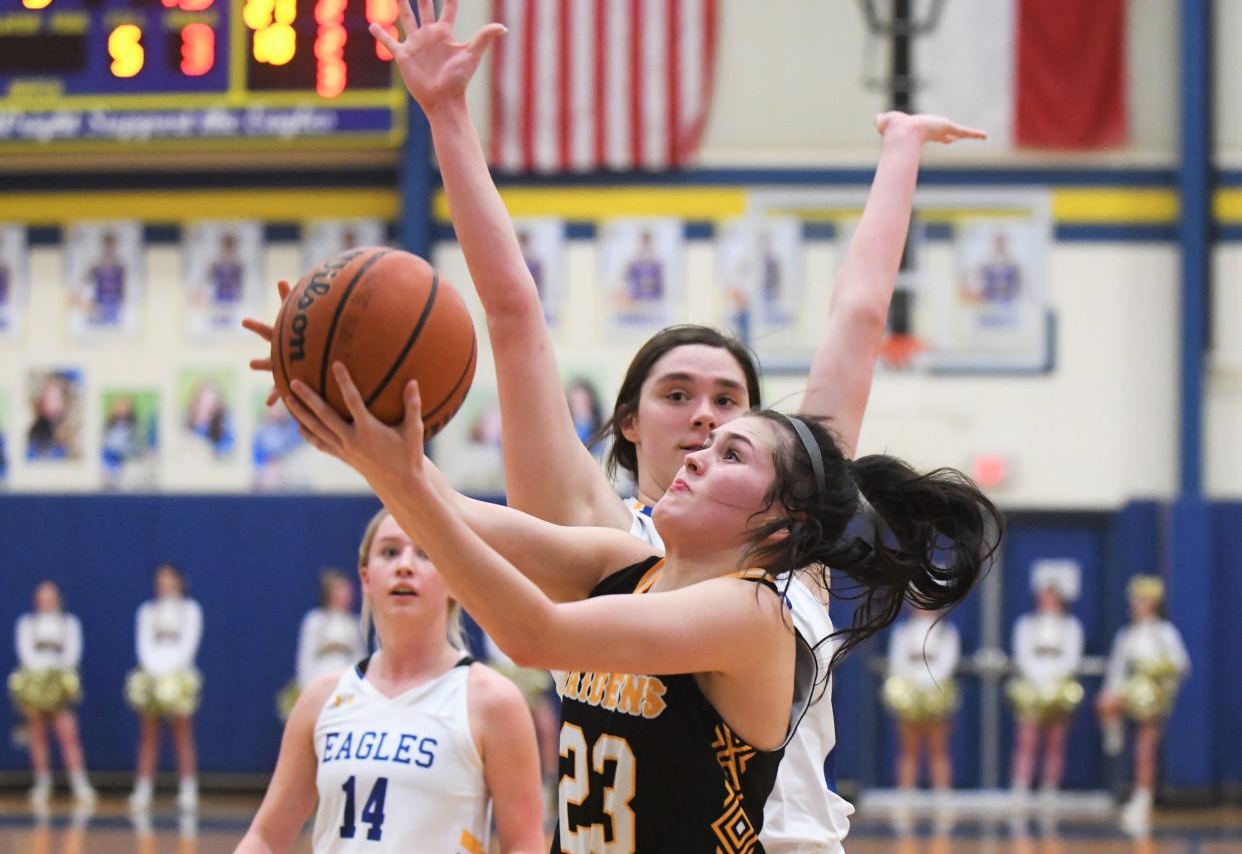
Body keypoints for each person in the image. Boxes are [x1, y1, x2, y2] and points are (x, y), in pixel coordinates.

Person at [240, 0, 986, 850]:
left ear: (783, 504)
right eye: (680, 397)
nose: (706, 426)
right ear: (628, 420)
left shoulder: (771, 590)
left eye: (731, 411)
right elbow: (508, 342)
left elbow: (858, 320)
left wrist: (900, 150)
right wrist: (361, 439)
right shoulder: (619, 547)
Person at [281, 353, 1000, 848]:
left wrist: (397, 475)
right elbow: (455, 511)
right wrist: (350, 426)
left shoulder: (751, 614)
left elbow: (531, 633)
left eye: (732, 454)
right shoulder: (631, 563)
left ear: (785, 522)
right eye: (709, 442)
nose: (695, 453)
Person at [236, 508, 544, 854]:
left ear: (456, 578)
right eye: (390, 552)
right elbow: (266, 837)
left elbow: (524, 845)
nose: (405, 565)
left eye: (425, 553)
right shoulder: (322, 698)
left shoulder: (492, 700)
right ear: (366, 578)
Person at [1096, 575, 1190, 832]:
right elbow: (1117, 670)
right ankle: (1113, 736)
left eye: (1142, 601)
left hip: (1153, 696)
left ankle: (1143, 797)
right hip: (1131, 690)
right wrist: (1111, 694)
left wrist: (1162, 689)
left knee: (1145, 748)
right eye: (1135, 601)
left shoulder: (1165, 633)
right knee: (1105, 705)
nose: (1136, 606)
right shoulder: (1126, 635)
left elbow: (1180, 665)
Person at [8, 580, 96, 805]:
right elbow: (25, 653)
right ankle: (42, 782)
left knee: (67, 733)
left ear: (58, 598)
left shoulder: (69, 624)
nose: (46, 602)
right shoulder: (27, 624)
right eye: (41, 598)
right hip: (35, 683)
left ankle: (79, 783)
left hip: (60, 685)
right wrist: (39, 678)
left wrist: (56, 677)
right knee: (36, 734)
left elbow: (72, 654)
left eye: (50, 597)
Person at [125, 563, 203, 813]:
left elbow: (190, 643)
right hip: (152, 674)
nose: (164, 584)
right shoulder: (147, 611)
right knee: (148, 736)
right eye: (160, 580)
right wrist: (155, 672)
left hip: (179, 675)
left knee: (183, 734)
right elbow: (143, 645)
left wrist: (172, 672)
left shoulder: (190, 610)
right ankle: (144, 788)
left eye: (169, 579)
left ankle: (188, 789)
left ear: (179, 581)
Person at [1007, 563, 1084, 806]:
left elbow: (1072, 657)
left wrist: (1054, 681)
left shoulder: (1071, 627)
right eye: (1044, 595)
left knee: (1056, 739)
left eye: (1052, 596)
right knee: (1027, 738)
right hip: (1032, 686)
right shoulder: (1026, 625)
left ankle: (1050, 787)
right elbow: (1022, 654)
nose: (1047, 600)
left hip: (1059, 688)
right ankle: (1021, 786)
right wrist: (1038, 679)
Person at [882, 607, 961, 800]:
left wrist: (930, 683)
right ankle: (905, 796)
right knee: (908, 749)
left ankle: (943, 798)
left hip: (937, 694)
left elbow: (949, 661)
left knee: (939, 749)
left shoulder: (946, 632)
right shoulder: (902, 632)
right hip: (910, 694)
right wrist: (912, 686)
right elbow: (897, 661)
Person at [276, 570, 366, 721]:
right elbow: (305, 657)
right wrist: (307, 690)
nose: (347, 594)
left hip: (347, 685)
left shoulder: (354, 624)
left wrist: (360, 686)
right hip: (320, 680)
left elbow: (360, 657)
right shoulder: (315, 620)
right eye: (341, 590)